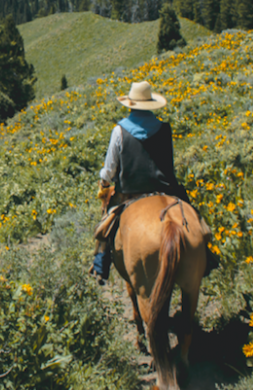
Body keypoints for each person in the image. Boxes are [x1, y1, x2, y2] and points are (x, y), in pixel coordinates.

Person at [92, 80, 216, 282]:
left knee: (106, 227)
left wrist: (104, 183)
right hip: (166, 191)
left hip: (130, 194)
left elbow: (109, 169)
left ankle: (100, 265)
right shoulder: (164, 129)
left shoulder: (119, 131)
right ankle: (206, 256)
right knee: (195, 220)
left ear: (130, 104)